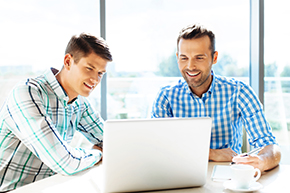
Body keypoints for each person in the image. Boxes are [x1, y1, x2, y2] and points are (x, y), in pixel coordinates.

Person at [151, 24, 281, 173]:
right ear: (177, 57)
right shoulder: (165, 97)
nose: (190, 66)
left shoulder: (239, 91)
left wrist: (262, 161)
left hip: (228, 177)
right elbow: (157, 150)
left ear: (214, 58)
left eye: (199, 58)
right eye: (184, 58)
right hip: (178, 175)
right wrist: (212, 153)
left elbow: (270, 145)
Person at [0, 33, 112, 192]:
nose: (95, 79)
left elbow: (111, 140)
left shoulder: (80, 104)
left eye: (100, 73)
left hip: (50, 188)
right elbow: (64, 162)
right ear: (68, 61)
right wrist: (97, 154)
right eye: (89, 68)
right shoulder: (28, 92)